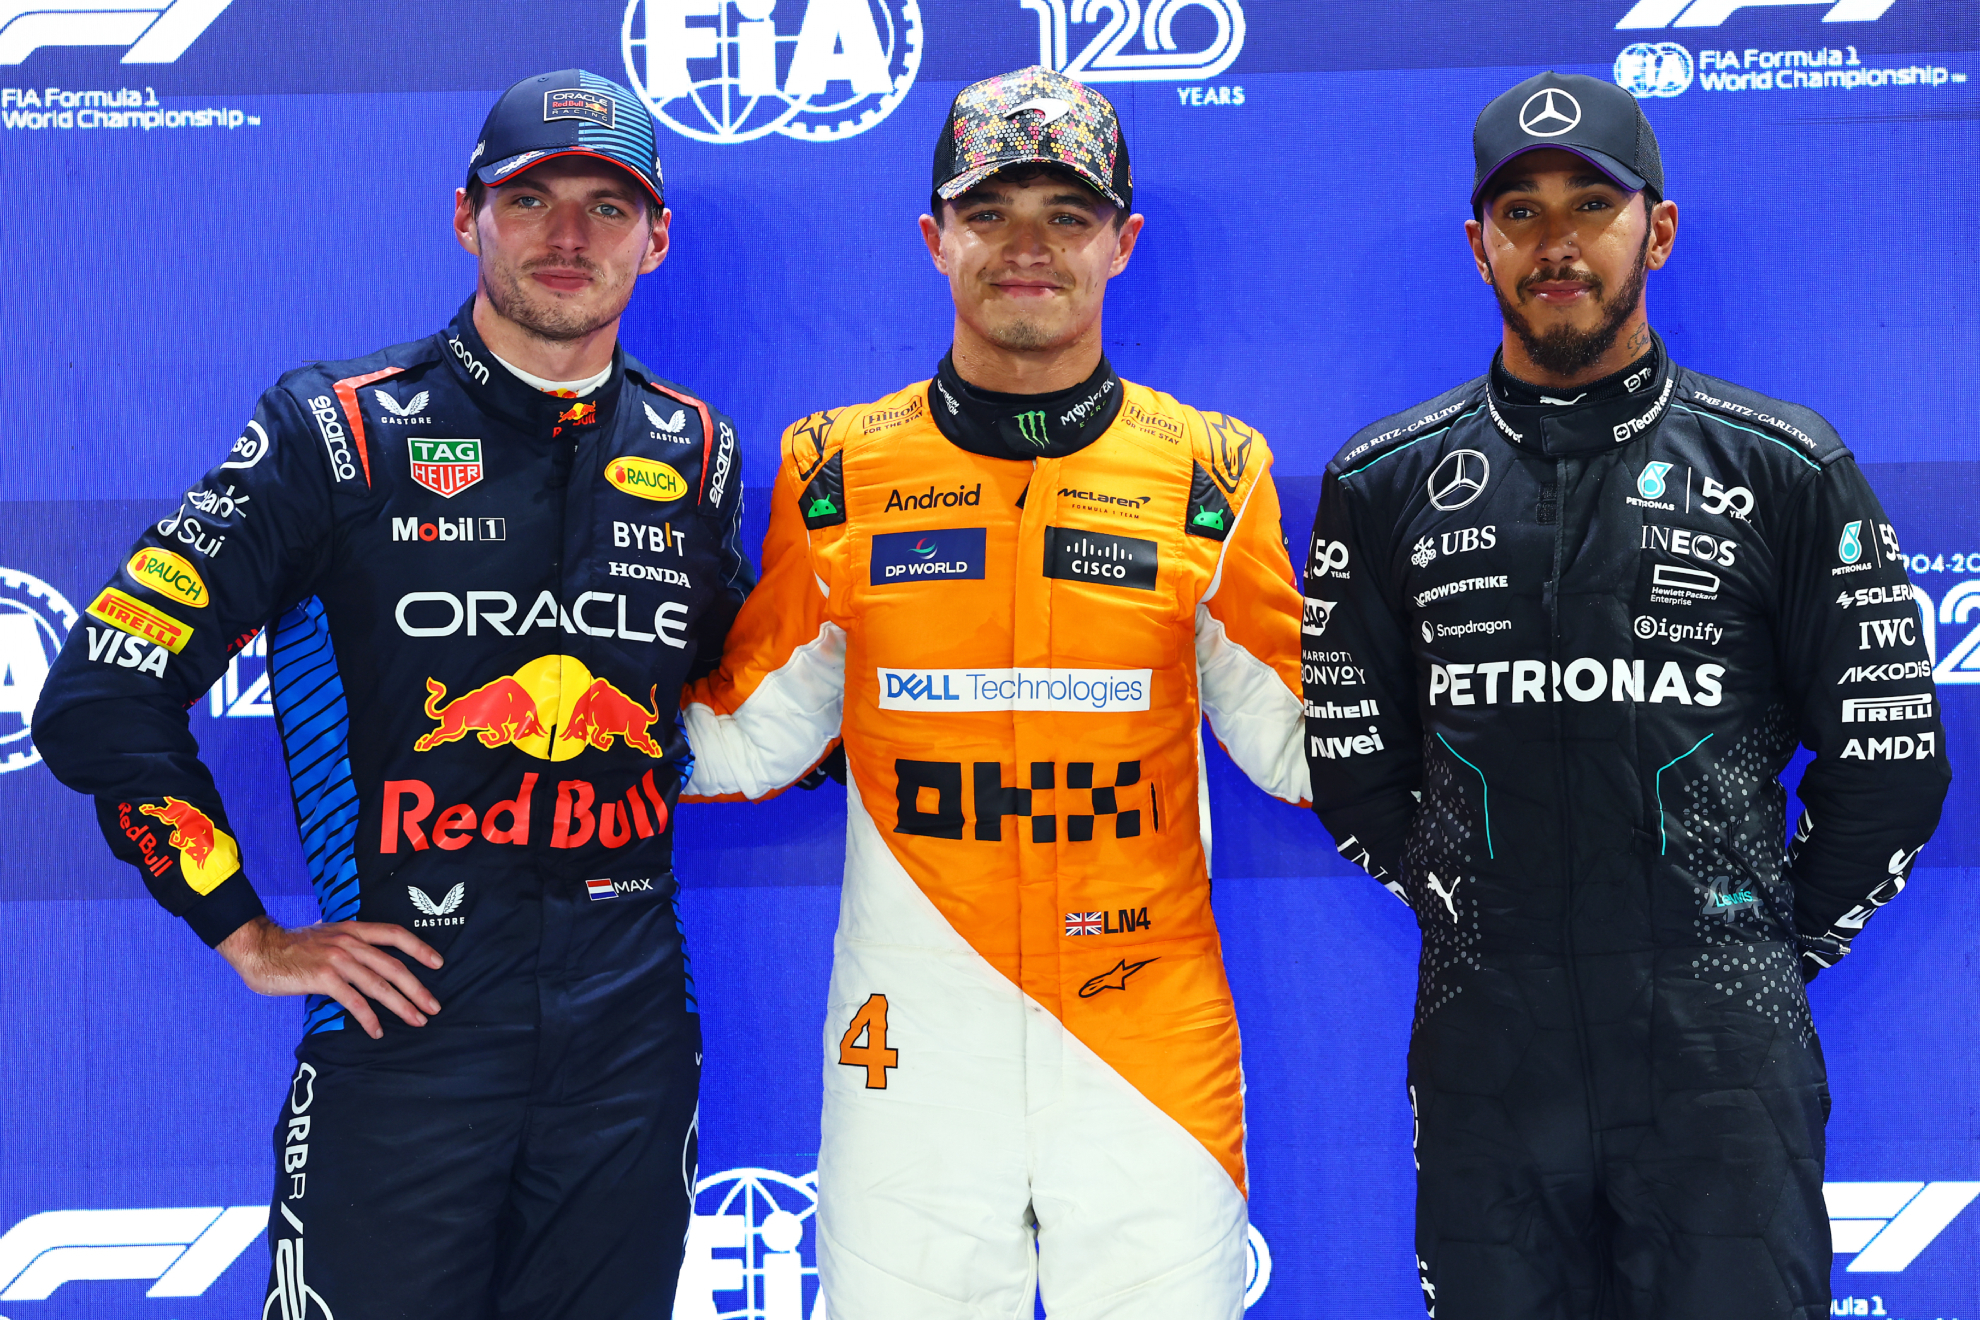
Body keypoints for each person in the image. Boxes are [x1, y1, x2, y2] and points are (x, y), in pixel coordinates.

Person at [32, 69, 750, 1320]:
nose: (569, 237)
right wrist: (246, 932)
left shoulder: (700, 452)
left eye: (607, 204)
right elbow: (101, 694)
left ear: (657, 237)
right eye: (531, 199)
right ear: (466, 216)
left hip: (631, 1055)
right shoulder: (338, 431)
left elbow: (753, 706)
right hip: (404, 1043)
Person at [1302, 70, 1950, 1320]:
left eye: (1590, 205)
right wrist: (1473, 920)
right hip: (1490, 1045)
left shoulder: (1784, 465)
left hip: (1722, 1049)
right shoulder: (1382, 480)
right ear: (1479, 242)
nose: (1557, 243)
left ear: (1654, 228)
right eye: (1522, 211)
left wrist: (1754, 941)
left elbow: (1891, 769)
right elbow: (1356, 767)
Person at [680, 66, 1308, 1320]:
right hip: (909, 1049)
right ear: (935, 238)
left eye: (1067, 216)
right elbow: (739, 742)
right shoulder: (835, 471)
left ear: (1123, 244)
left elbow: (1305, 749)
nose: (1027, 249)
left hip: (1146, 1044)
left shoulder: (1217, 473)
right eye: (990, 212)